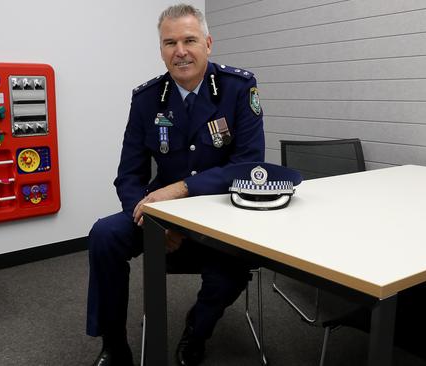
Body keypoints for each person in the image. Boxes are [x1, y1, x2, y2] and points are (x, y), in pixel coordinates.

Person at [86, 4, 265, 366]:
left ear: (208, 43)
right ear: (161, 50)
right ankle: (114, 344)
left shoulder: (238, 88)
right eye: (170, 43)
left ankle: (196, 331)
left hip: (221, 214)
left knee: (227, 274)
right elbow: (129, 175)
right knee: (104, 235)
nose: (180, 50)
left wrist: (181, 188)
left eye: (189, 40)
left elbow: (247, 165)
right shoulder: (147, 98)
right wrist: (151, 220)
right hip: (160, 214)